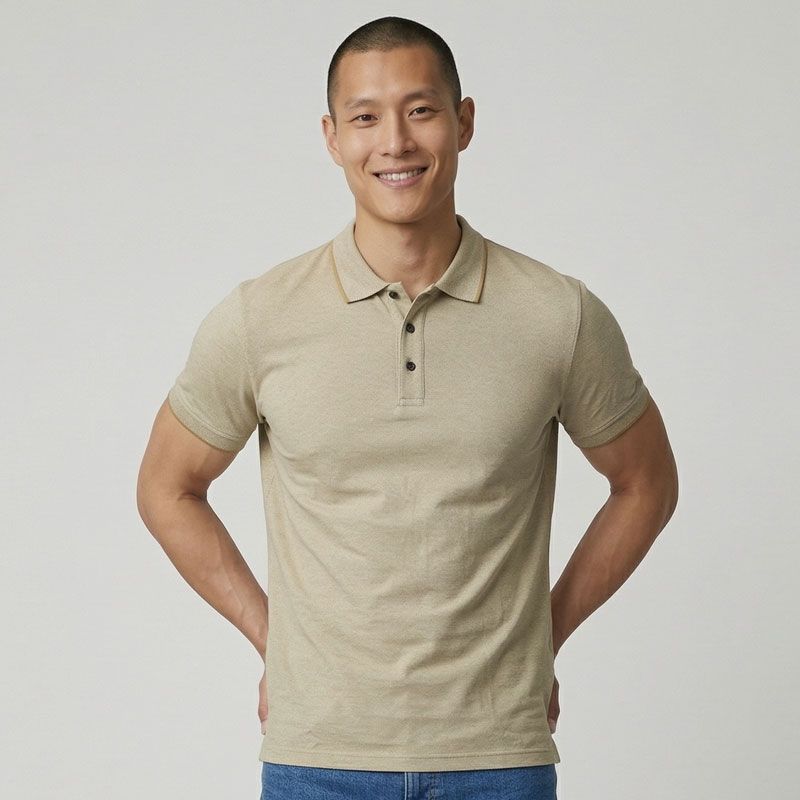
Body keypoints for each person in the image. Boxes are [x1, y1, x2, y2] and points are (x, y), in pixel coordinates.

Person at [136, 15, 678, 800]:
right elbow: (166, 486)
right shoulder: (260, 318)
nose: (394, 142)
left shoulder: (557, 314)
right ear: (332, 137)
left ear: (463, 122)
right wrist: (271, 637)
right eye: (365, 117)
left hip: (497, 758)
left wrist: (544, 636)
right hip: (317, 757)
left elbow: (647, 483)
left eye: (420, 111)